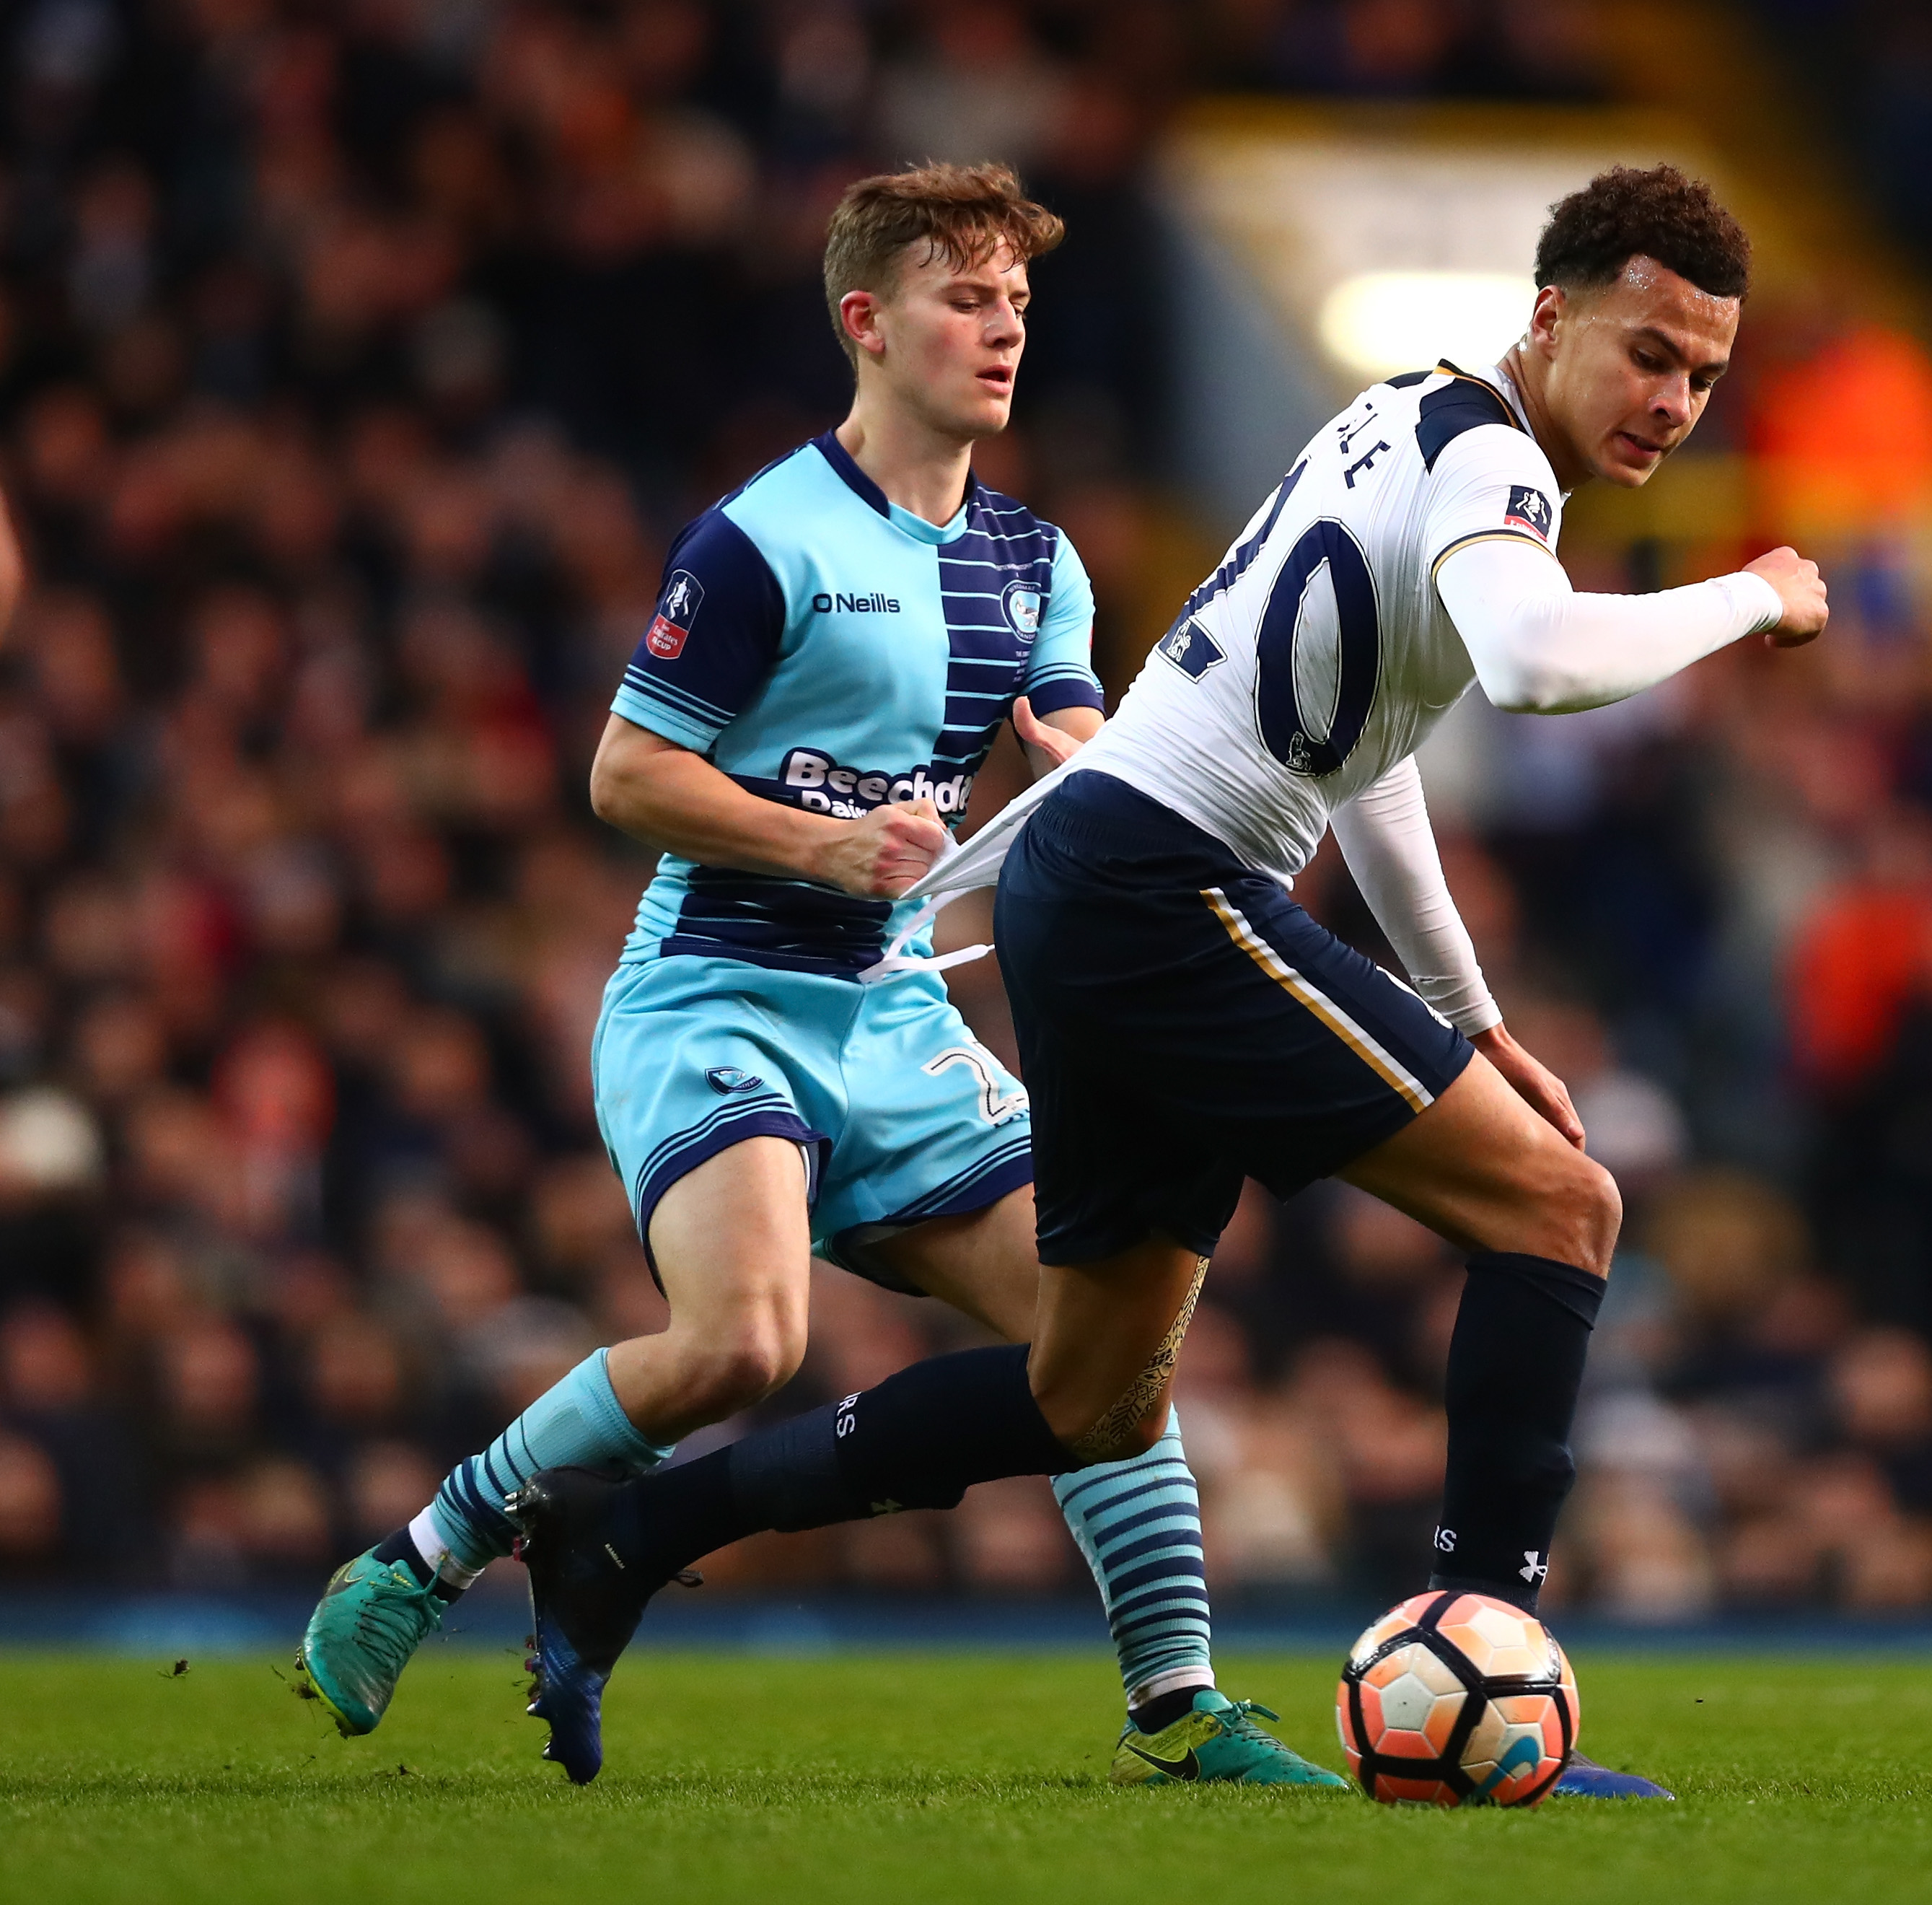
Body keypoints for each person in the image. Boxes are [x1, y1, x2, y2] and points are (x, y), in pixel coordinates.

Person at [511, 163, 1828, 1794]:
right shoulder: (1493, 462)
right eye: (1646, 355)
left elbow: (1371, 749)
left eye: (1701, 374)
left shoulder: (1410, 418)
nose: (1672, 401)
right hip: (1154, 884)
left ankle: (633, 1536)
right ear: (1548, 317)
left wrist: (1473, 1015)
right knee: (1563, 1213)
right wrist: (1752, 594)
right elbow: (1537, 664)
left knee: (1084, 1393)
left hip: (1111, 888)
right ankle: (1488, 1654)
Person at [296, 162, 1337, 1791]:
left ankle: (1178, 1704)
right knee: (743, 1343)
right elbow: (626, 777)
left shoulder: (1030, 561)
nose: (1000, 334)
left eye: (1014, 305)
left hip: (895, 1019)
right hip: (716, 995)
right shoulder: (762, 538)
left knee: (1109, 1346)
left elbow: (1063, 743)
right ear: (867, 322)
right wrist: (818, 840)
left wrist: (1171, 785)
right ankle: (425, 1554)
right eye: (962, 300)